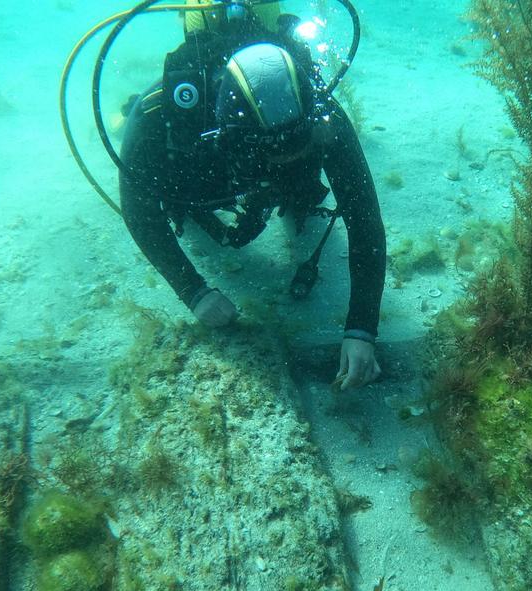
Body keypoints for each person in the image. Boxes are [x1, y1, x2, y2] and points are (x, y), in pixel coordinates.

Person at [117, 0, 385, 390]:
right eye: (270, 157)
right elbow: (139, 211)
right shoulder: (162, 115)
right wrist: (193, 291)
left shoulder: (321, 114)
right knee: (181, 193)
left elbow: (364, 217)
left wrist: (362, 328)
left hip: (260, 150)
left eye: (296, 153)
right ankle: (122, 111)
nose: (278, 167)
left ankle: (294, 189)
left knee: (302, 188)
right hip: (207, 170)